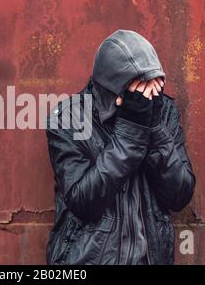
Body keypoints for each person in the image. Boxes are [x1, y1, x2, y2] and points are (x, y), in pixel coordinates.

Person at [45, 30, 195, 265]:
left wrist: (154, 126)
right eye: (137, 89)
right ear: (111, 91)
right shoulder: (69, 118)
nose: (146, 96)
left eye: (151, 87)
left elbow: (179, 195)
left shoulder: (163, 111)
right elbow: (83, 202)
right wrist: (131, 132)